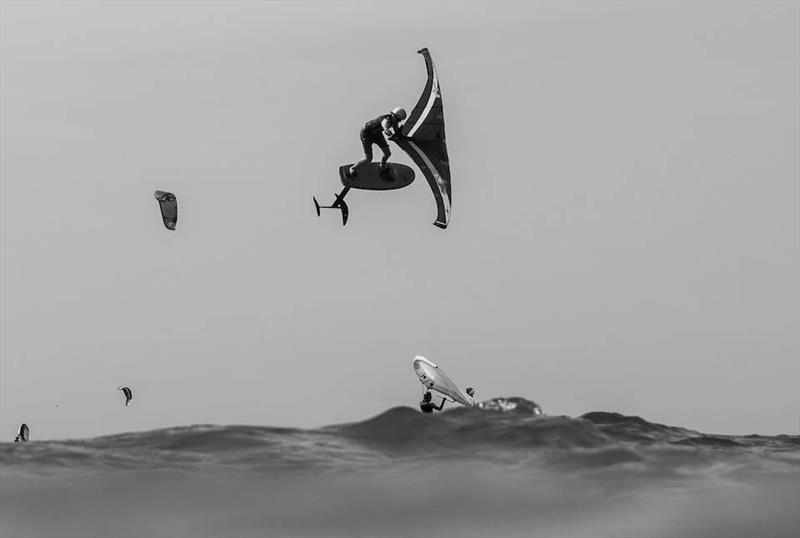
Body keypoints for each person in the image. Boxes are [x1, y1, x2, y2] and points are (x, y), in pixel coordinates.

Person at [349, 107, 407, 176]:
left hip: (377, 135)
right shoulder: (386, 118)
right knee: (368, 158)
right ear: (396, 116)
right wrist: (386, 129)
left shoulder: (394, 122)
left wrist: (400, 135)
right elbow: (384, 123)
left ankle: (382, 166)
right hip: (366, 134)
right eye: (399, 120)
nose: (399, 122)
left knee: (387, 154)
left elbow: (397, 131)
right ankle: (353, 168)